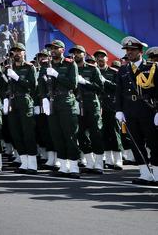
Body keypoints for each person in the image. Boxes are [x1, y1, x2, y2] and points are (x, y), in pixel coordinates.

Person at [115, 36, 158, 184]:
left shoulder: (151, 67)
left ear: (140, 51)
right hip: (130, 110)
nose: (129, 53)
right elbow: (119, 92)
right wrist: (119, 110)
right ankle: (145, 173)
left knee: (154, 142)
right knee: (136, 142)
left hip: (147, 110)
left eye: (132, 50)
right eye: (127, 50)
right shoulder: (123, 69)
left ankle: (157, 173)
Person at [42, 40, 80, 178]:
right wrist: (44, 98)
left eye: (55, 48)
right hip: (52, 102)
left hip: (66, 101)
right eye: (51, 48)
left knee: (69, 134)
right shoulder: (46, 65)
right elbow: (41, 83)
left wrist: (57, 75)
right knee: (56, 135)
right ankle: (64, 166)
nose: (52, 50)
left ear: (62, 50)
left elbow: (73, 84)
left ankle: (74, 166)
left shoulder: (70, 64)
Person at [70, 45, 106, 174]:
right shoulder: (70, 68)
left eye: (79, 53)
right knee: (80, 134)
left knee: (96, 134)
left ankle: (99, 163)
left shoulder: (92, 69)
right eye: (74, 53)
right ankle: (90, 162)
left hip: (91, 105)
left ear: (84, 54)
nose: (76, 55)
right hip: (77, 105)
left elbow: (100, 88)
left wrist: (85, 82)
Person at [6, 43, 38, 174]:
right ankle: (24, 163)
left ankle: (33, 164)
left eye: (19, 51)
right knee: (16, 133)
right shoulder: (9, 68)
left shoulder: (30, 68)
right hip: (13, 102)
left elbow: (32, 86)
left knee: (28, 133)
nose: (17, 54)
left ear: (24, 53)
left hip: (25, 101)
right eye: (15, 52)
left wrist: (17, 78)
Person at [93, 50, 123, 170]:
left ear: (107, 58)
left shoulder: (113, 72)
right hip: (98, 105)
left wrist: (106, 81)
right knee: (103, 133)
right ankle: (109, 160)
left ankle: (118, 159)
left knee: (115, 132)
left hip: (111, 105)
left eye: (102, 57)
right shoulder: (94, 71)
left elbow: (118, 88)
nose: (100, 59)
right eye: (98, 57)